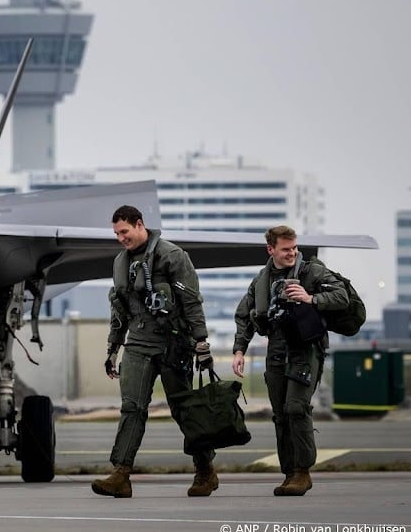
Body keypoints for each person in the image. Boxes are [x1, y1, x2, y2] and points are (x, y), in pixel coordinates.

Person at [91, 205, 216, 498]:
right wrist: (113, 349)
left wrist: (201, 343)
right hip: (138, 345)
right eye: (116, 234)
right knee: (132, 408)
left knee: (184, 410)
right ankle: (121, 474)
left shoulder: (172, 256)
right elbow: (119, 310)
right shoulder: (120, 263)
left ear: (139, 225)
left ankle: (205, 470)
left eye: (124, 231)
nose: (121, 238)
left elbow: (191, 302)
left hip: (174, 344)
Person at [232, 225, 347, 497]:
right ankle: (289, 473)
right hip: (276, 352)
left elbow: (340, 295)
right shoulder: (261, 279)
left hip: (305, 350)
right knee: (281, 415)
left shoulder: (312, 272)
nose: (292, 253)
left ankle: (302, 472)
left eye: (294, 248)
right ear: (271, 249)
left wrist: (311, 298)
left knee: (296, 408)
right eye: (285, 249)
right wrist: (239, 350)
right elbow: (245, 315)